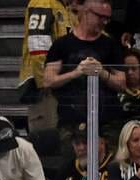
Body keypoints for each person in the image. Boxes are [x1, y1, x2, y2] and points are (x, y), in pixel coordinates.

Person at [43, 0, 125, 131]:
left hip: (107, 121)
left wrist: (102, 72)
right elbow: (48, 81)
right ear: (86, 12)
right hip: (71, 122)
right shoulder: (62, 44)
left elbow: (122, 84)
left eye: (107, 18)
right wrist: (76, 72)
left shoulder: (111, 45)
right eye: (100, 16)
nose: (104, 22)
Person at [18, 0, 76, 131]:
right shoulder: (42, 2)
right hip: (45, 87)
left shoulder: (66, 7)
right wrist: (47, 81)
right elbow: (38, 46)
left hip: (61, 83)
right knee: (47, 135)